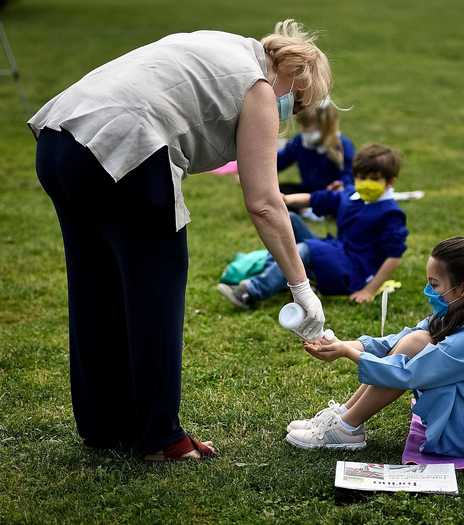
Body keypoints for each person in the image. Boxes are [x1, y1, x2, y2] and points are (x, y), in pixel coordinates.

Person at [28, 20, 331, 461]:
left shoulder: (218, 43)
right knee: (157, 293)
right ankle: (161, 437)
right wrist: (302, 288)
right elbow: (265, 202)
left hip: (60, 141)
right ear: (292, 75)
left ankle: (103, 424)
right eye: (299, 102)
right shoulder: (261, 86)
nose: (294, 112)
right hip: (126, 148)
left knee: (96, 287)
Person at [287, 236, 464, 458]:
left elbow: (408, 373)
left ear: (462, 289)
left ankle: (347, 426)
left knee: (416, 344)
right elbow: (399, 340)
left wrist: (347, 353)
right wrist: (345, 345)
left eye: (435, 284)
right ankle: (344, 419)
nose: (428, 291)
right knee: (416, 339)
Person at [217, 144, 408, 307]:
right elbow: (315, 199)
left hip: (353, 272)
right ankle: (277, 274)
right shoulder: (350, 195)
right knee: (289, 219)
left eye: (374, 179)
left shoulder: (391, 213)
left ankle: (251, 292)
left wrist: (369, 290)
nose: (366, 183)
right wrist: (283, 199)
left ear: (390, 181)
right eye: (361, 177)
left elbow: (394, 256)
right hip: (337, 252)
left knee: (303, 250)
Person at [277, 99, 355, 196]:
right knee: (278, 192)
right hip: (308, 192)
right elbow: (280, 161)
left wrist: (342, 184)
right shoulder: (299, 142)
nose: (303, 130)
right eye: (302, 126)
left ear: (324, 124)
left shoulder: (342, 145)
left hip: (331, 195)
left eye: (307, 126)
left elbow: (349, 175)